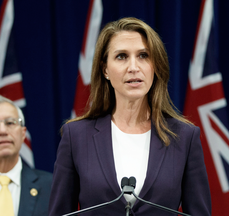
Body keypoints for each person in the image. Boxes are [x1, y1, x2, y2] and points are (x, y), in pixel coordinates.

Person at [49, 17, 211, 216]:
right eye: (121, 56)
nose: (133, 67)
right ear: (105, 69)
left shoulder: (184, 137)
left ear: (156, 66)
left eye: (143, 55)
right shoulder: (76, 136)